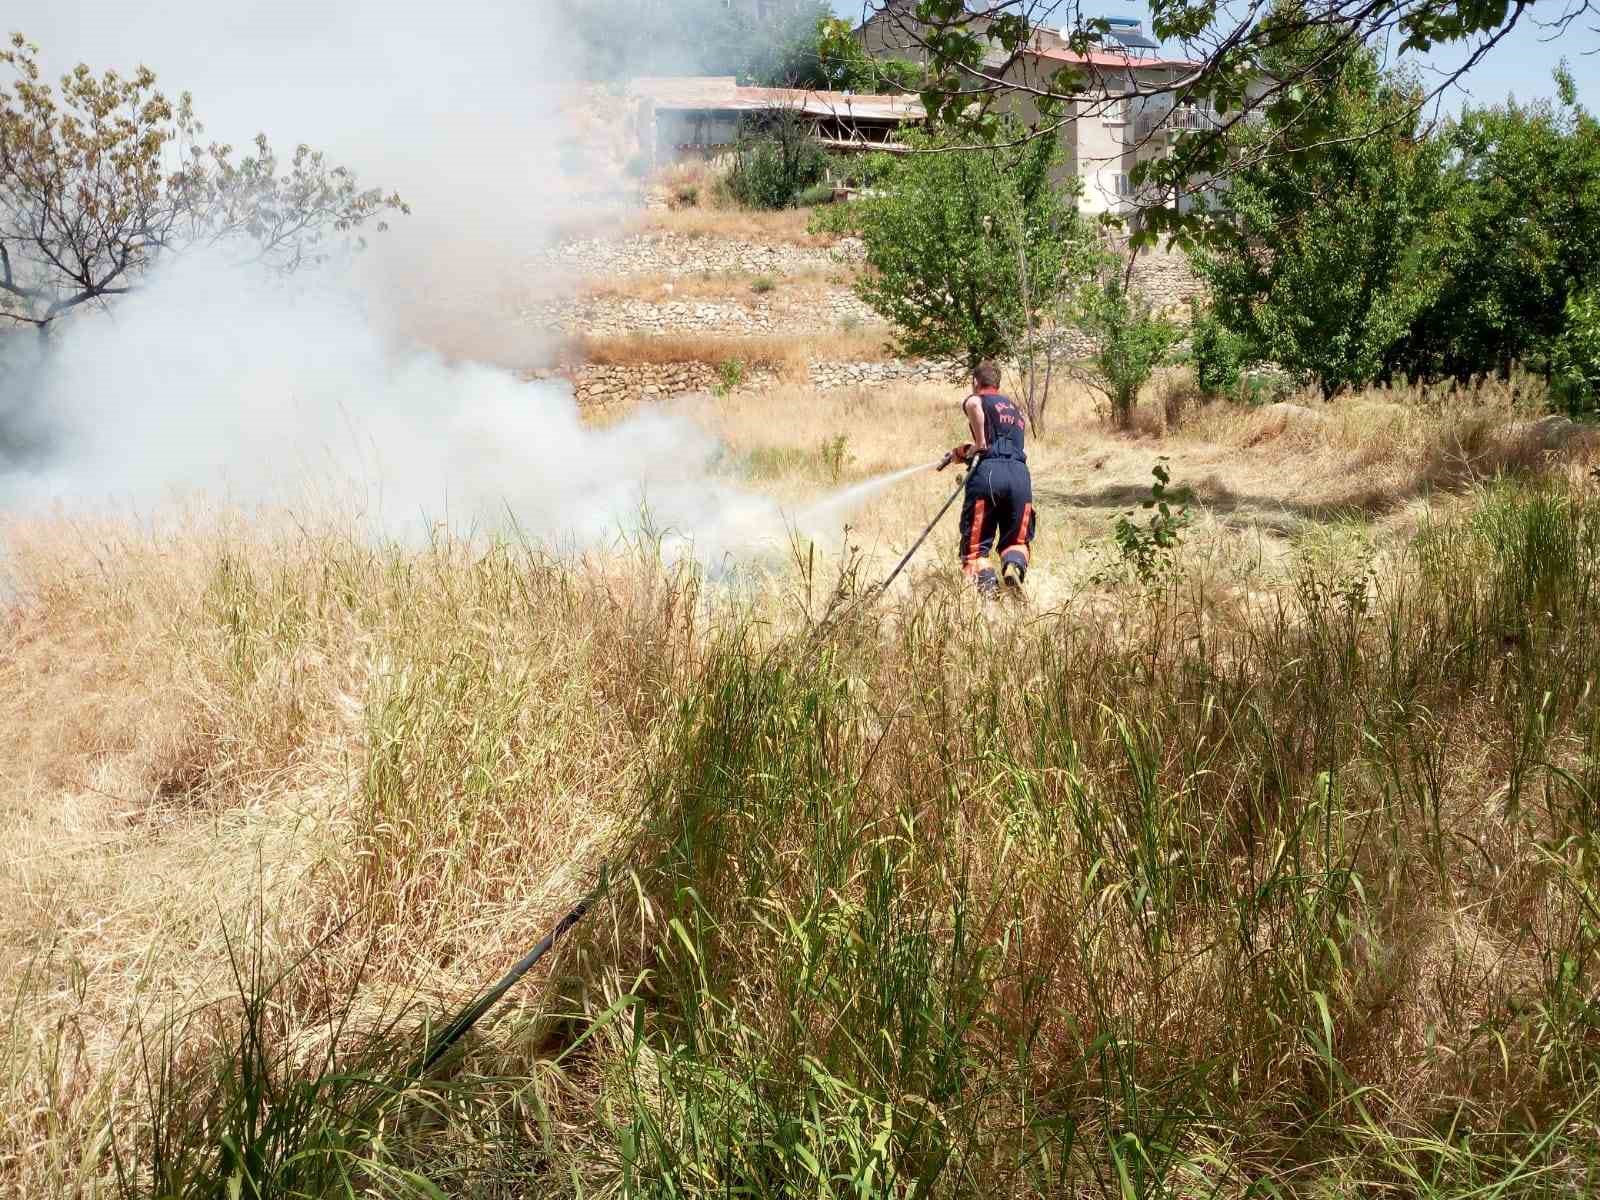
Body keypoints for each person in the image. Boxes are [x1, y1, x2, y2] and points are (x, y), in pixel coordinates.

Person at [939, 360, 1036, 596]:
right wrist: (961, 453)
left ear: (975, 381)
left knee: (975, 548)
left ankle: (989, 594)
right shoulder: (1015, 409)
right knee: (1017, 540)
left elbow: (974, 407)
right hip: (1019, 475)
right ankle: (1012, 566)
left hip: (988, 474)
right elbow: (1001, 442)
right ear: (998, 383)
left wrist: (979, 444)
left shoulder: (977, 399)